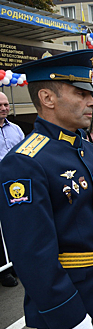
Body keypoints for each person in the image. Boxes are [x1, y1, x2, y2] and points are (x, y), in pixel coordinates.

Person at [1, 49, 93, 329]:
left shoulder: (83, 146)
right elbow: (32, 253)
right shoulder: (25, 162)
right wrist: (66, 314)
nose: (92, 101)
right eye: (81, 93)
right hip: (69, 298)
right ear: (47, 98)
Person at [0, 91, 24, 287]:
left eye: (6, 104)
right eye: (0, 105)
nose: (4, 108)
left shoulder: (15, 129)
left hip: (16, 185)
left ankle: (15, 262)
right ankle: (3, 269)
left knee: (15, 224)